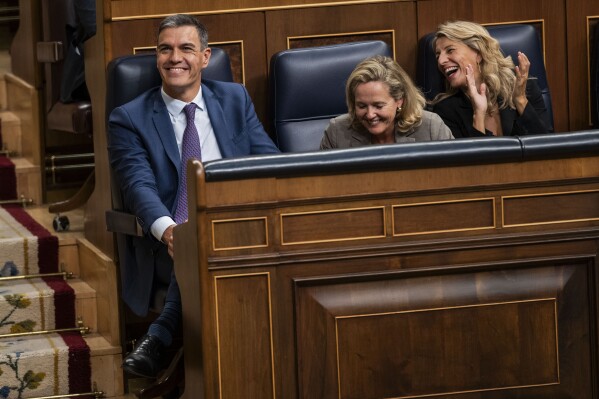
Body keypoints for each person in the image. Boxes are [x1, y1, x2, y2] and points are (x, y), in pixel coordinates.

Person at [107, 14, 279, 378]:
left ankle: (160, 336)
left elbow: (270, 163)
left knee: (215, 238)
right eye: (165, 49)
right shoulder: (129, 118)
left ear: (205, 56)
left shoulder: (235, 98)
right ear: (156, 57)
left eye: (186, 48)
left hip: (239, 222)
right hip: (172, 239)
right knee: (197, 243)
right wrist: (171, 232)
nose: (175, 58)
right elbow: (138, 186)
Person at [430, 20, 551, 138]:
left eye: (450, 50)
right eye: (437, 56)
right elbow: (471, 157)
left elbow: (547, 148)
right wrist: (478, 114)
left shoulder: (523, 87)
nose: (441, 61)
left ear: (478, 53)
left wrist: (520, 100)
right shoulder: (445, 110)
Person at [320, 56, 453, 149]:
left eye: (378, 106)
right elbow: (321, 184)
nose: (370, 114)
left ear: (400, 101)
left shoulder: (431, 128)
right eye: (362, 106)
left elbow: (456, 175)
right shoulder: (337, 131)